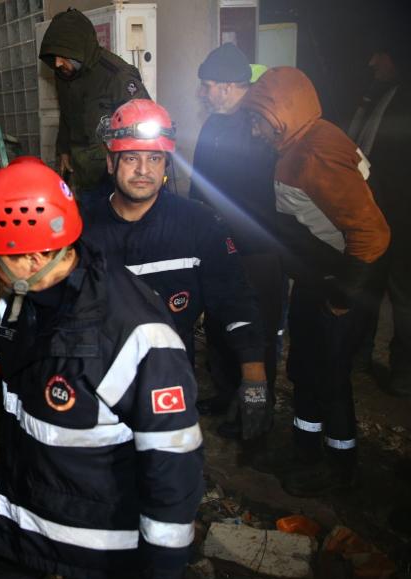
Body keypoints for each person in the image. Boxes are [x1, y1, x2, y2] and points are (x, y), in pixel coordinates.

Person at [0, 157, 203, 579]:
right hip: (23, 522)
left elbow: (172, 454)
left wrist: (167, 562)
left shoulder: (133, 333)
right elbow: (5, 334)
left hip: (103, 546)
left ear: (33, 256)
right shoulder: (22, 294)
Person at [81, 99, 269, 440]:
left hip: (168, 378)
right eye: (131, 158)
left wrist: (253, 376)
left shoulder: (199, 225)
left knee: (167, 477)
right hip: (93, 374)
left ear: (166, 163)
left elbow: (234, 300)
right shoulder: (81, 225)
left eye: (154, 158)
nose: (143, 170)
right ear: (111, 163)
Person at [242, 67, 391, 496]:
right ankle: (305, 448)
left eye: (258, 119)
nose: (254, 130)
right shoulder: (302, 142)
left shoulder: (316, 152)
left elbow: (373, 234)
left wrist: (344, 296)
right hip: (322, 276)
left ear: (282, 111)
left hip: (345, 281)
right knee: (305, 365)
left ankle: (339, 464)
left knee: (329, 372)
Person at [188, 44, 284, 431]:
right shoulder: (214, 123)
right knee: (219, 323)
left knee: (255, 331)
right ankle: (227, 395)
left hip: (257, 251)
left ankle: (255, 411)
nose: (204, 94)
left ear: (229, 86)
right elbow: (201, 182)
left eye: (208, 86)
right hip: (219, 246)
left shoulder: (261, 127)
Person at [348, 40, 411, 395]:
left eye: (380, 53)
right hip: (374, 212)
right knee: (369, 284)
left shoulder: (402, 99)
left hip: (400, 216)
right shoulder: (377, 96)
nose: (372, 61)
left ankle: (403, 372)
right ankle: (359, 355)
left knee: (402, 294)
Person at [39, 8, 148, 195]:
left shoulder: (117, 75)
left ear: (79, 50)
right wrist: (64, 150)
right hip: (81, 174)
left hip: (112, 179)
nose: (57, 63)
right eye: (54, 57)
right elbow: (66, 114)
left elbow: (145, 130)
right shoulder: (64, 73)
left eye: (63, 56)